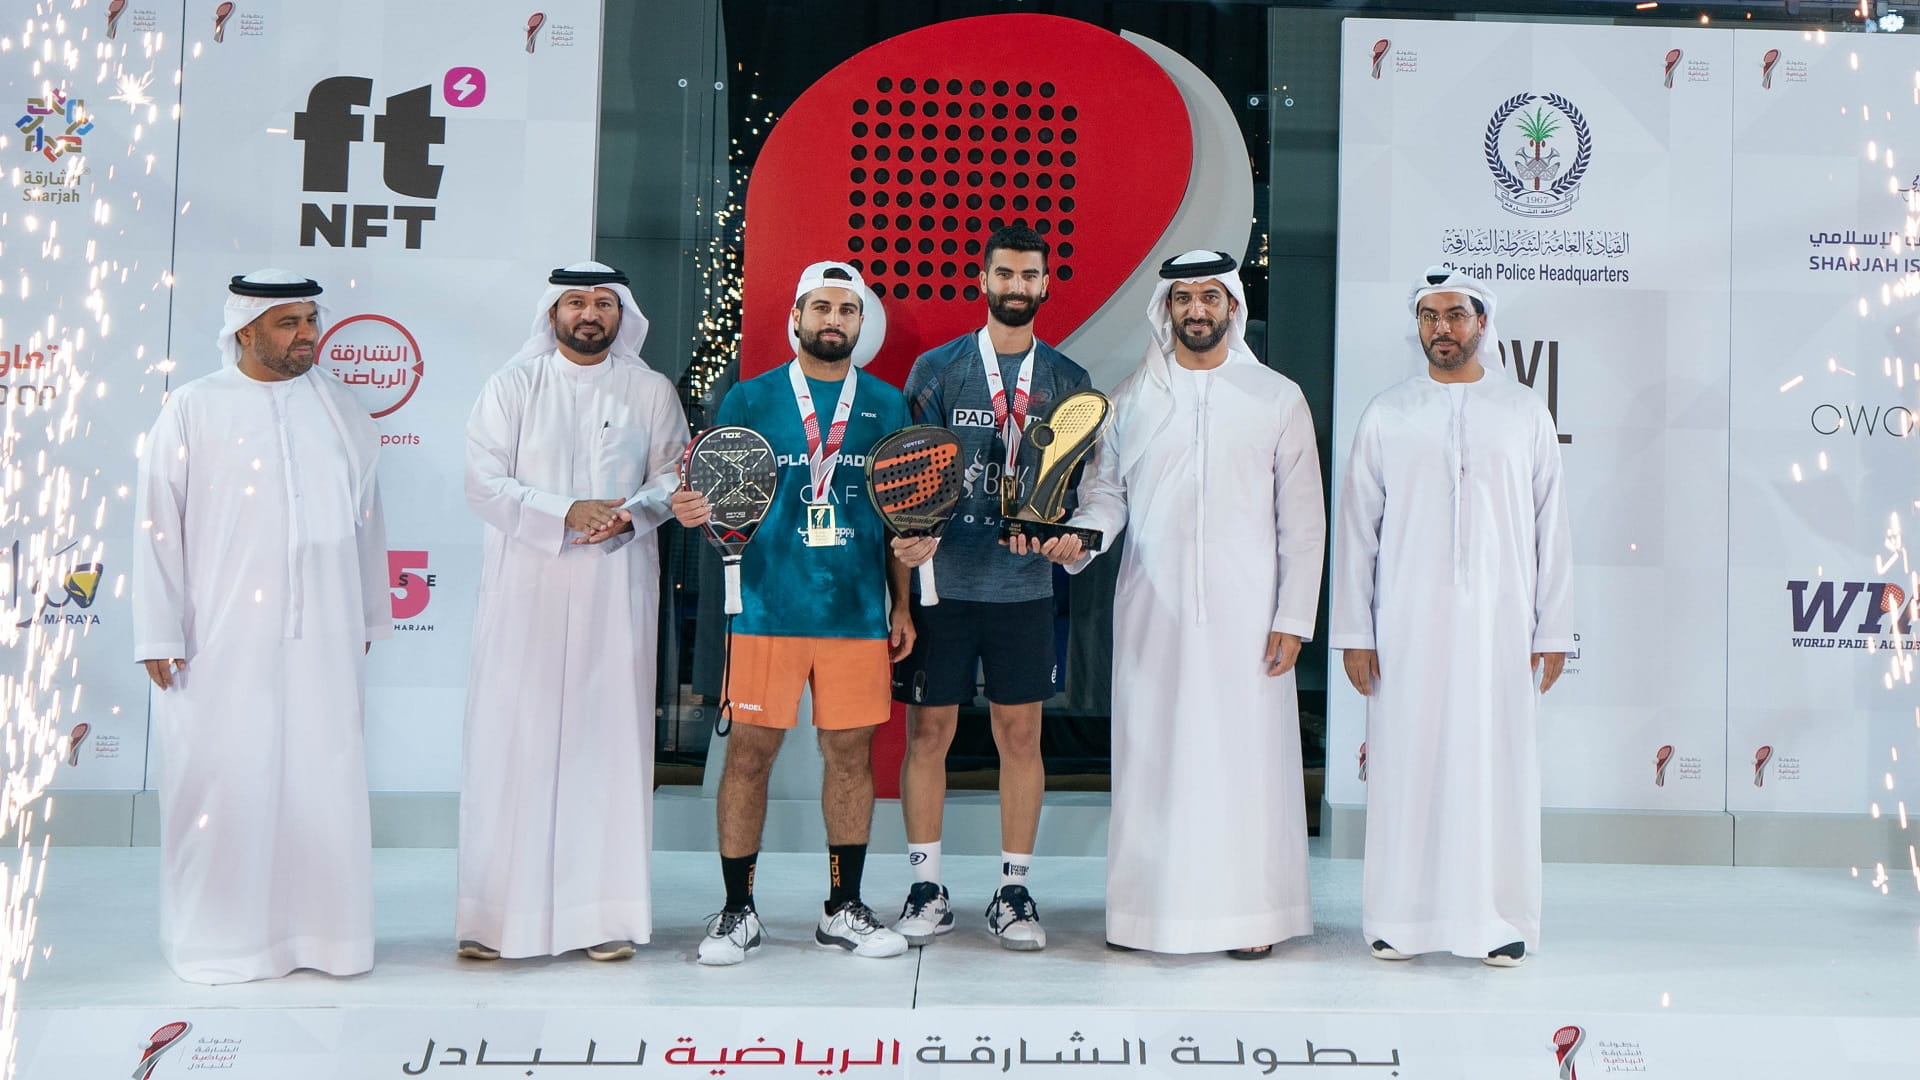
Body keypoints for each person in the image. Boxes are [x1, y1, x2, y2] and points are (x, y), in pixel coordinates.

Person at [1053, 250, 1325, 957]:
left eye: (1210, 297)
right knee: (1154, 757)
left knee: (1245, 764)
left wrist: (1293, 618)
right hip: (1154, 611)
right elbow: (1104, 497)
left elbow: (1303, 520)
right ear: (1166, 309)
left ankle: (1251, 921)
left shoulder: (1276, 397)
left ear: (1233, 306)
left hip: (1249, 620)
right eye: (1183, 299)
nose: (1197, 310)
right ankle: (1148, 917)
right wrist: (1079, 541)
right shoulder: (1131, 400)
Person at [670, 262, 933, 965]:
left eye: (846, 311)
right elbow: (718, 499)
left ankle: (843, 907)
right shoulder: (748, 400)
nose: (833, 321)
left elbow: (897, 511)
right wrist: (693, 509)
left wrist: (901, 602)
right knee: (750, 756)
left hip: (854, 613)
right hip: (764, 607)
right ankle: (736, 911)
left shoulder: (886, 404)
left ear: (860, 324)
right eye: (821, 307)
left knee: (850, 758)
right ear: (795, 318)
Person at [131, 270, 389, 984]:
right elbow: (157, 525)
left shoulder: (340, 406)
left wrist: (368, 612)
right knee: (222, 781)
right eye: (288, 323)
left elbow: (366, 519)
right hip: (216, 637)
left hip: (327, 634)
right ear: (244, 330)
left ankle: (326, 940)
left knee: (323, 778)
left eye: (310, 319)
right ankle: (220, 944)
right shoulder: (193, 408)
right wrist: (158, 631)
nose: (307, 334)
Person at [1329, 267, 1573, 967]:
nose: (1443, 328)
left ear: (1482, 324)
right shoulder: (1388, 412)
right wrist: (1354, 632)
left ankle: (1498, 921)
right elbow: (1357, 533)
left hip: (1501, 628)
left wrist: (1552, 629)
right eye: (1431, 316)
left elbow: (1550, 530)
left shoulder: (1524, 412)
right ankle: (1398, 921)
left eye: (1456, 315)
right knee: (1408, 766)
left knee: (1497, 769)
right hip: (1404, 626)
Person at [456, 261, 688, 963]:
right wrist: (564, 511)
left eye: (604, 304)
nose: (591, 315)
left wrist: (629, 515)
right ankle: (493, 920)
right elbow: (482, 481)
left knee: (606, 746)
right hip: (525, 587)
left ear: (623, 314)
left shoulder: (650, 390)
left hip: (615, 589)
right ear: (553, 311)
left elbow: (674, 473)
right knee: (511, 743)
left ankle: (603, 916)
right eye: (577, 302)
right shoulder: (511, 386)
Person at [888, 225, 1091, 951]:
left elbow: (1079, 491)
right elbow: (904, 491)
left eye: (1028, 275)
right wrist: (903, 595)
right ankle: (925, 886)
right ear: (984, 280)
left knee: (1020, 735)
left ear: (1043, 285)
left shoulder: (1068, 380)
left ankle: (1013, 889)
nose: (1016, 285)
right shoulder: (937, 370)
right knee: (928, 734)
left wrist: (1069, 535)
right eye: (1004, 273)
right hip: (945, 588)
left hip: (1025, 589)